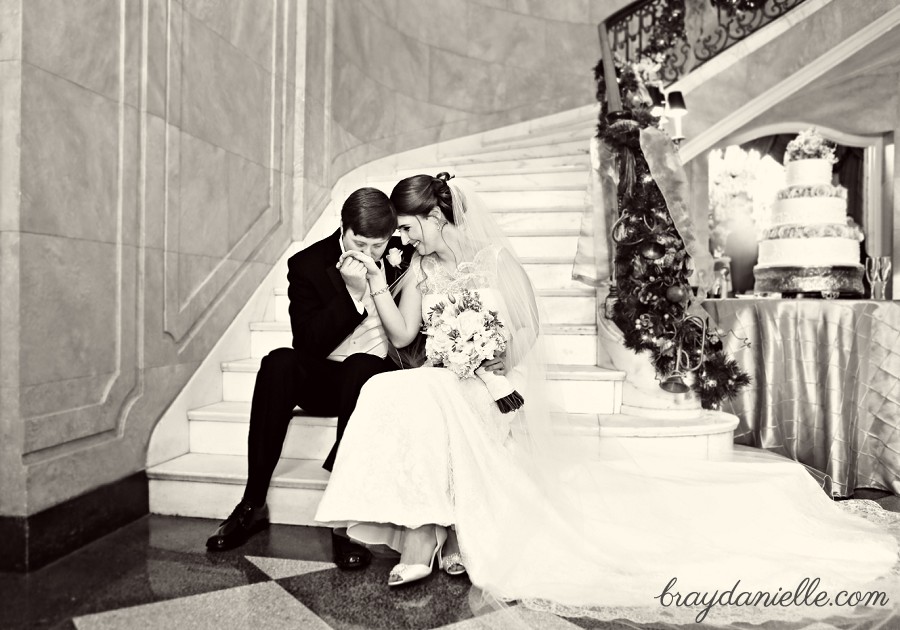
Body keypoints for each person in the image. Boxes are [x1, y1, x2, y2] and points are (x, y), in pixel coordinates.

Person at [315, 174, 900, 626]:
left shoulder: (492, 261)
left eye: (410, 226)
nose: (402, 236)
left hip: (486, 382)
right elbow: (400, 337)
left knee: (417, 391)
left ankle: (427, 535)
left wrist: (487, 360)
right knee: (391, 386)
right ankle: (432, 530)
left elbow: (526, 331)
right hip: (446, 379)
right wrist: (370, 288)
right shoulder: (415, 268)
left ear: (438, 215)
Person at [206, 187, 411, 572]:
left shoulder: (406, 257)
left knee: (360, 366)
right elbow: (308, 344)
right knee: (279, 362)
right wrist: (352, 295)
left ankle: (346, 517)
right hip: (329, 378)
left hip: (376, 379)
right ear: (343, 229)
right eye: (359, 242)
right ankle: (252, 502)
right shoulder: (307, 264)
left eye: (378, 246)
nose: (368, 254)